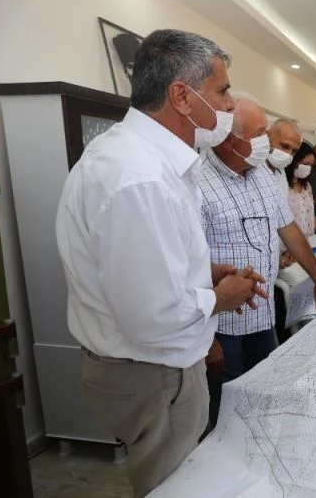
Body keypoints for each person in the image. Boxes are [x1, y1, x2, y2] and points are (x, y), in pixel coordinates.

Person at [55, 29, 267, 497]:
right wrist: (220, 298)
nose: (229, 104)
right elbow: (151, 316)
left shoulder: (139, 158)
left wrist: (204, 273)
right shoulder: (140, 178)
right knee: (171, 486)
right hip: (153, 372)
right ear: (182, 96)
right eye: (222, 91)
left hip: (146, 368)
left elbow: (143, 268)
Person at [198, 93, 316, 425]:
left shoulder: (260, 174)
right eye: (258, 134)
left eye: (266, 131)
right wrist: (207, 342)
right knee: (225, 413)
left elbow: (289, 229)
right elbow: (188, 266)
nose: (266, 142)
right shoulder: (197, 183)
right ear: (228, 139)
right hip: (222, 327)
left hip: (262, 318)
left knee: (262, 402)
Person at [284, 143, 316, 238]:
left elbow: (309, 216)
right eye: (305, 164)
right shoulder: (282, 185)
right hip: (288, 243)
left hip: (309, 241)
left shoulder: (307, 186)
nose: (307, 168)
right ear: (294, 159)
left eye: (310, 165)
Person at [265, 118, 302, 200]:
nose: (289, 154)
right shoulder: (248, 167)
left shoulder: (281, 173)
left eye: (294, 151)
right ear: (267, 136)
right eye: (285, 146)